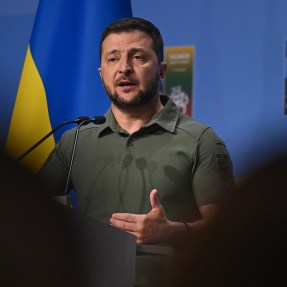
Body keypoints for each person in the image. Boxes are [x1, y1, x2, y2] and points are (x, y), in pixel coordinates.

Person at [39, 17, 235, 287]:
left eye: (138, 57)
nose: (124, 68)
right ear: (101, 73)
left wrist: (172, 232)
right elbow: (29, 212)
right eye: (113, 59)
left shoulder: (200, 140)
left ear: (162, 70)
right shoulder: (75, 141)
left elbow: (228, 232)